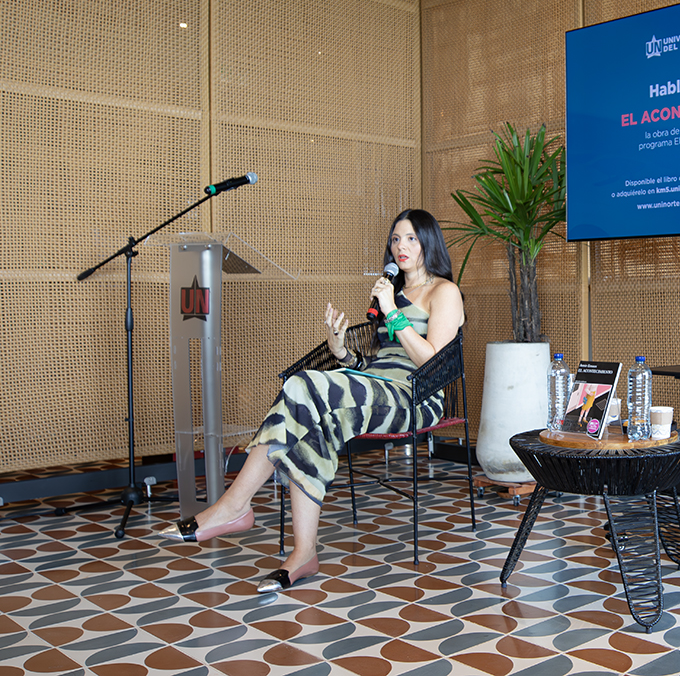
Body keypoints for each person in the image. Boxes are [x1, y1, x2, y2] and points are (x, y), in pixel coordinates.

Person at [160, 209, 465, 593]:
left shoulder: (444, 292)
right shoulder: (395, 291)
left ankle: (234, 505)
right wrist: (341, 353)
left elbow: (433, 360)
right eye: (395, 239)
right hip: (376, 387)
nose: (400, 247)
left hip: (416, 395)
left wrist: (391, 311)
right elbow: (378, 363)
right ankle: (302, 553)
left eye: (410, 239)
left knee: (304, 388)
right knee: (315, 419)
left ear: (428, 243)